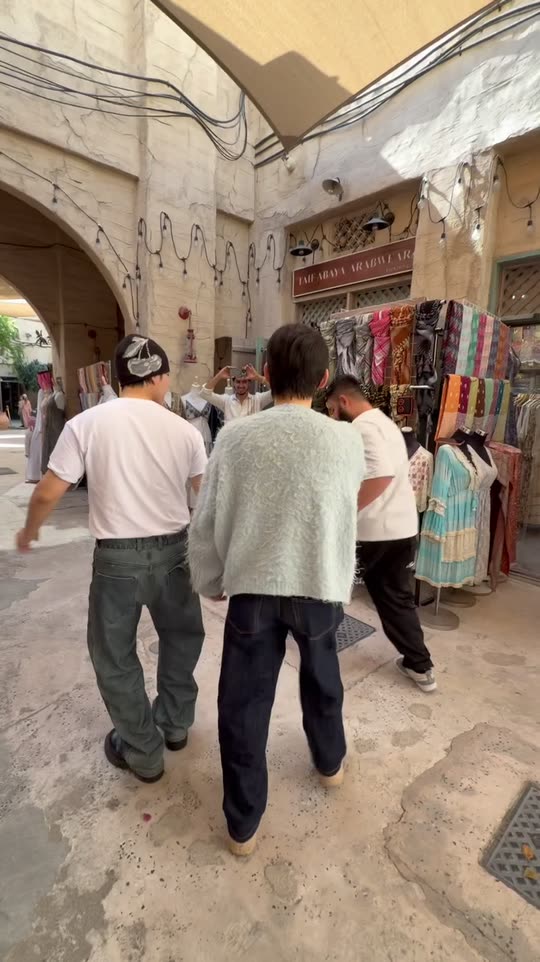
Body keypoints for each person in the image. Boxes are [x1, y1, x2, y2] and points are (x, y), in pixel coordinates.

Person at [189, 324, 365, 856]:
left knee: (243, 703)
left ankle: (243, 825)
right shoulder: (346, 440)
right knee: (324, 679)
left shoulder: (236, 437)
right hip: (318, 581)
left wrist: (210, 578)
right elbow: (341, 511)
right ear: (325, 379)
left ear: (266, 374)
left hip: (254, 587)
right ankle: (330, 763)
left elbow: (207, 519)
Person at [16, 334, 207, 783]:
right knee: (181, 640)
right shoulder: (184, 431)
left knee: (114, 654)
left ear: (117, 378)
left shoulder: (87, 424)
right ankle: (174, 725)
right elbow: (207, 497)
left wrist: (29, 530)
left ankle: (142, 750)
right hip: (176, 554)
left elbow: (47, 491)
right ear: (159, 377)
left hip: (117, 562)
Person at [326, 375, 437, 694]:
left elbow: (380, 475)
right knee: (395, 597)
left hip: (376, 531)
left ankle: (319, 647)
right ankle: (420, 665)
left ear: (344, 401)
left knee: (332, 585)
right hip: (401, 527)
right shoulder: (386, 424)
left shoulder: (363, 427)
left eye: (332, 409)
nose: (333, 416)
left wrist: (345, 509)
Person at [199, 363, 272, 421]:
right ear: (233, 383)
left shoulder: (258, 400)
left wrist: (258, 377)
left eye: (244, 382)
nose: (241, 385)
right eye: (238, 382)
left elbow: (277, 391)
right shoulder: (226, 401)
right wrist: (219, 375)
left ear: (249, 383)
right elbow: (204, 394)